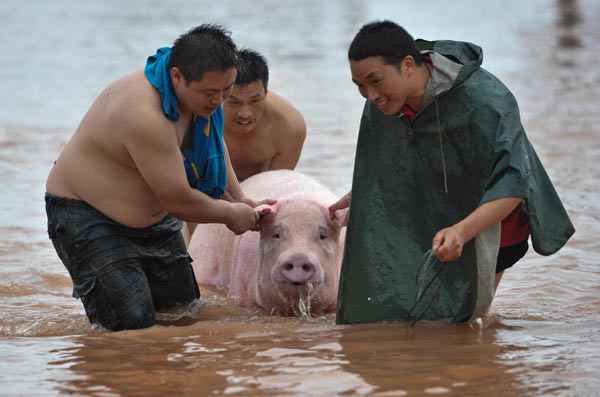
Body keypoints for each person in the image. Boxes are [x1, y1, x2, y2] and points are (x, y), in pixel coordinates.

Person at [330, 21, 575, 324]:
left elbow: (513, 184)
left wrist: (462, 231)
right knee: (410, 317)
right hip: (437, 204)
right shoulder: (385, 104)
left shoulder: (487, 100)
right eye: (360, 86)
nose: (369, 95)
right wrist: (367, 191)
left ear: (408, 65)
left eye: (375, 81)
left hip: (498, 219)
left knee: (466, 320)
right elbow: (399, 158)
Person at [45, 24, 273, 331]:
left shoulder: (204, 98)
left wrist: (241, 199)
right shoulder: (145, 114)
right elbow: (178, 199)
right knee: (129, 328)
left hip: (155, 221)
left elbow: (214, 145)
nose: (219, 101)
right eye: (210, 92)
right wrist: (230, 214)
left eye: (225, 90)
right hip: (89, 215)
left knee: (183, 315)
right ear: (177, 76)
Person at [182, 48, 306, 244]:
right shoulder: (198, 116)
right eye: (234, 102)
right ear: (220, 94)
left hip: (253, 199)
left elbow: (275, 189)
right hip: (197, 195)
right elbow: (184, 187)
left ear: (266, 92)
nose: (245, 113)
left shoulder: (289, 127)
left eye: (255, 101)